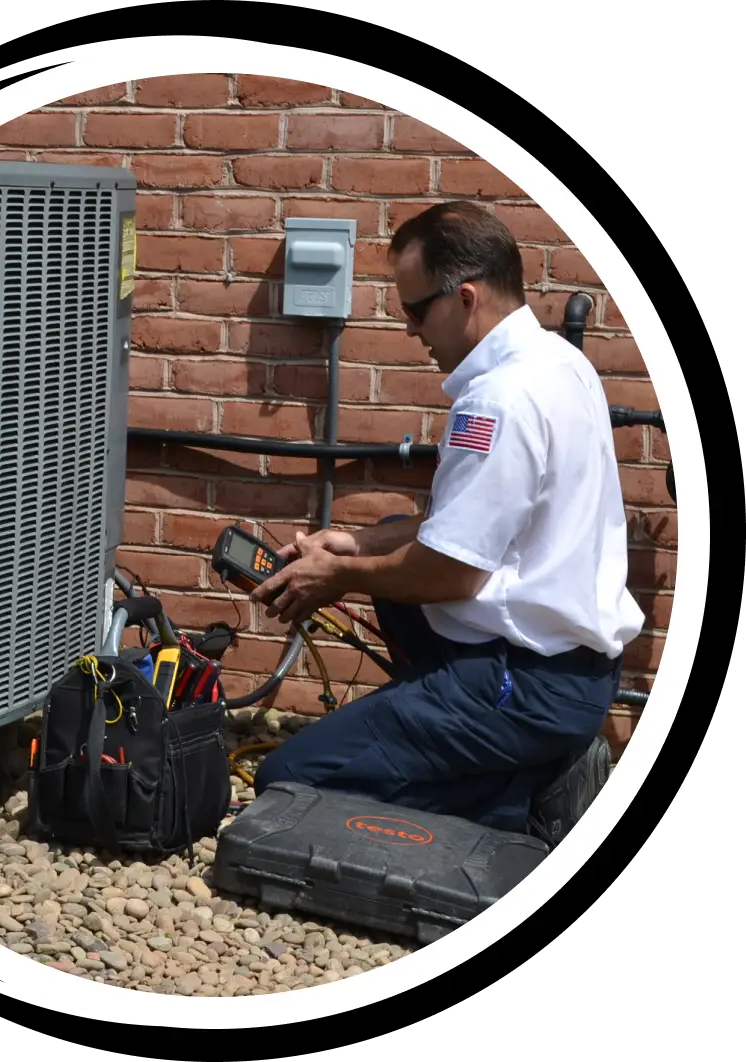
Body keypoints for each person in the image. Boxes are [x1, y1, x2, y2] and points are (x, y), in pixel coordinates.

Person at [250, 200, 644, 844]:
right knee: (397, 575)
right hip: (572, 671)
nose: (409, 330)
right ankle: (499, 752)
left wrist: (337, 576)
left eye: (413, 309)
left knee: (291, 780)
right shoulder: (558, 363)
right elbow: (465, 529)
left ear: (465, 298)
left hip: (526, 684)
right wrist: (357, 541)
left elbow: (454, 572)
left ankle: (531, 798)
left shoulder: (498, 403)